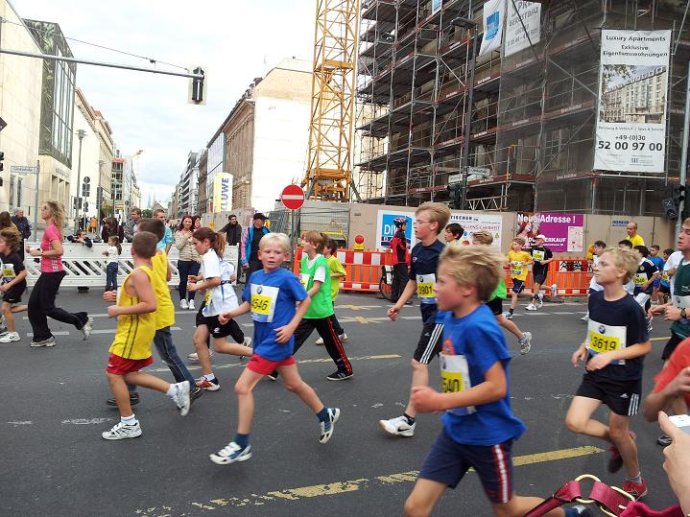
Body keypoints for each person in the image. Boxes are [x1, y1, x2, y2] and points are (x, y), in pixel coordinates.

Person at [403, 245, 581, 517]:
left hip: (488, 435)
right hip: (455, 430)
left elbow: (496, 387)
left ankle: (570, 515)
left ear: (467, 289)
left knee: (507, 510)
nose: (434, 287)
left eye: (442, 281)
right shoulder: (448, 315)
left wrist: (441, 399)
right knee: (415, 507)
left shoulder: (480, 327)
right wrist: (448, 399)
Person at [209, 233, 340, 464]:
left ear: (285, 256)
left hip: (277, 341)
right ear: (259, 254)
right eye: (267, 251)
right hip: (262, 339)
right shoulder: (257, 276)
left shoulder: (287, 278)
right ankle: (324, 413)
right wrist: (231, 313)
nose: (271, 255)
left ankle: (241, 443)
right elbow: (249, 304)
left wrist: (291, 326)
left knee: (242, 387)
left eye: (277, 252)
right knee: (293, 384)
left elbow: (305, 301)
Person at [564, 246, 651, 500]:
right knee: (574, 422)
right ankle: (618, 438)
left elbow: (644, 346)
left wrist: (610, 355)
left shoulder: (631, 308)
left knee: (618, 428)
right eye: (597, 263)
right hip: (595, 374)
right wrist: (584, 347)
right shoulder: (596, 299)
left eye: (603, 264)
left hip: (624, 380)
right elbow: (596, 331)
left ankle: (636, 481)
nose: (596, 267)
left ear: (621, 271)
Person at [100, 231, 191, 440]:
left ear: (132, 250)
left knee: (113, 374)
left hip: (133, 331)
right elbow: (137, 297)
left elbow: (150, 304)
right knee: (129, 374)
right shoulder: (144, 270)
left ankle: (129, 423)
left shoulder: (139, 273)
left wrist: (118, 310)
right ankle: (174, 390)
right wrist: (118, 297)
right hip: (135, 330)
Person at [107, 218, 204, 407]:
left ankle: (190, 387)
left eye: (138, 232)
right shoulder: (159, 254)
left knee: (168, 354)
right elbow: (168, 276)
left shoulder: (148, 258)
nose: (136, 234)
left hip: (156, 312)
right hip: (161, 308)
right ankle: (130, 391)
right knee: (134, 355)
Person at [379, 202, 450, 438]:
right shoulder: (418, 250)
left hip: (443, 316)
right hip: (428, 313)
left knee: (419, 363)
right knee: (454, 365)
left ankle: (408, 420)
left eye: (419, 222)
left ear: (433, 225)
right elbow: (413, 281)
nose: (415, 226)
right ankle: (472, 411)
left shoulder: (444, 254)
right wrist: (398, 305)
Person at [271, 230, 353, 381]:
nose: (302, 243)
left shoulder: (321, 263)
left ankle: (345, 369)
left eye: (306, 240)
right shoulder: (304, 261)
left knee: (331, 341)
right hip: (308, 309)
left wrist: (299, 297)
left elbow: (316, 287)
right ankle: (276, 367)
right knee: (293, 338)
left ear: (314, 245)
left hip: (321, 310)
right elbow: (303, 282)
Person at [190, 227, 253, 392]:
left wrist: (195, 286)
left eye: (195, 243)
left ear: (206, 242)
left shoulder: (210, 256)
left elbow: (216, 280)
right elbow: (214, 276)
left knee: (220, 346)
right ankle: (210, 378)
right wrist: (200, 280)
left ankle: (262, 357)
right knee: (198, 340)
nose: (194, 246)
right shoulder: (210, 255)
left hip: (220, 305)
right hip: (212, 304)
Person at [26, 201, 93, 348]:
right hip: (48, 272)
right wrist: (35, 250)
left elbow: (59, 251)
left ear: (51, 212)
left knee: (48, 308)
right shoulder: (51, 228)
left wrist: (40, 252)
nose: (41, 210)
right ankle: (43, 337)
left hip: (53, 272)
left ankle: (81, 321)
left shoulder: (50, 229)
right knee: (33, 305)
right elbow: (51, 250)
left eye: (45, 208)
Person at [473, 231, 532, 355]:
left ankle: (518, 339)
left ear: (482, 243)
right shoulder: (479, 255)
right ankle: (521, 338)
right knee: (490, 320)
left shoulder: (489, 257)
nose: (473, 243)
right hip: (483, 293)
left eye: (475, 241)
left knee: (495, 320)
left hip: (492, 293)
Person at [315, 238, 348, 345]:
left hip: (330, 292)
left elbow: (343, 273)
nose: (321, 248)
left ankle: (327, 335)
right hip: (322, 291)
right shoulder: (321, 259)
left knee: (326, 314)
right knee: (328, 314)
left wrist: (330, 275)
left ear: (329, 249)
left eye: (323, 246)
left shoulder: (333, 260)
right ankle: (340, 332)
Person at [0, 229, 28, 343]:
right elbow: (7, 269)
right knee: (7, 309)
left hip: (17, 285)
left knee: (5, 308)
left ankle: (13, 334)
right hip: (11, 284)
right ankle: (32, 306)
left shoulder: (14, 257)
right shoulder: (3, 254)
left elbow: (23, 273)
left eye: (0, 242)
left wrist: (8, 285)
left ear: (8, 245)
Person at [174, 215, 201, 310]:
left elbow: (198, 245)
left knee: (193, 280)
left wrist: (199, 257)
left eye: (190, 222)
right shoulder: (178, 233)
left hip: (195, 260)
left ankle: (191, 300)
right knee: (183, 281)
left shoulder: (195, 232)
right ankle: (182, 299)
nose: (188, 223)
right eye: (186, 221)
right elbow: (178, 246)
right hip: (183, 260)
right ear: (182, 222)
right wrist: (185, 237)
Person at [632, 245, 659, 332]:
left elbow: (656, 274)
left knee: (635, 305)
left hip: (646, 289)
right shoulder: (633, 263)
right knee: (640, 308)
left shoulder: (648, 263)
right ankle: (647, 322)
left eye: (635, 251)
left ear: (641, 253)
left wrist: (647, 283)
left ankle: (635, 324)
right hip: (637, 288)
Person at [505, 237, 532, 319]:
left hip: (521, 276)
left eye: (515, 244)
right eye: (513, 244)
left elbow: (532, 261)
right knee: (519, 293)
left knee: (513, 293)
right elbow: (507, 262)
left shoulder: (525, 254)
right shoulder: (510, 253)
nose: (514, 245)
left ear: (521, 245)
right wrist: (510, 264)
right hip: (514, 275)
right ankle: (535, 295)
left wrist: (525, 263)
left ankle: (510, 312)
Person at [581, 240, 607, 321]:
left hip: (604, 282)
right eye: (595, 247)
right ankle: (589, 314)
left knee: (604, 300)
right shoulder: (595, 257)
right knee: (590, 297)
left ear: (603, 248)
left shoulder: (606, 258)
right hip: (595, 282)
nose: (596, 249)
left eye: (598, 248)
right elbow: (593, 267)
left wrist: (594, 267)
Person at [526, 234, 553, 311]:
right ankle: (551, 288)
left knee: (537, 284)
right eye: (536, 239)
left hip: (543, 269)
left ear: (542, 241)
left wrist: (545, 261)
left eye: (538, 239)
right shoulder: (533, 249)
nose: (536, 240)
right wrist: (530, 262)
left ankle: (533, 303)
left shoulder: (547, 250)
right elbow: (532, 259)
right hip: (535, 269)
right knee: (537, 286)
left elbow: (552, 258)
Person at [241, 213, 270, 280]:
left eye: (264, 220)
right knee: (251, 281)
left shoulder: (267, 231)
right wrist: (244, 261)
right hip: (252, 261)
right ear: (256, 220)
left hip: (264, 261)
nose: (264, 222)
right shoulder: (249, 231)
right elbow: (243, 246)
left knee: (264, 281)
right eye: (262, 220)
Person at [389, 217, 409, 304]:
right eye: (405, 224)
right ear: (400, 225)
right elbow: (403, 248)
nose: (406, 226)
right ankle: (403, 299)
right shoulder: (401, 236)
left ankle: (394, 297)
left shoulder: (396, 234)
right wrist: (406, 245)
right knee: (404, 279)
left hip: (396, 261)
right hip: (401, 261)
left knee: (396, 279)